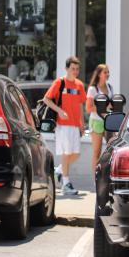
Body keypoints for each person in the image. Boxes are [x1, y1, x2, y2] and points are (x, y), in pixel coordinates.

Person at [43, 56, 87, 196]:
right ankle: (66, 184)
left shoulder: (79, 85)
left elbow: (81, 105)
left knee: (76, 154)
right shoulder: (59, 82)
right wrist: (60, 111)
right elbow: (46, 99)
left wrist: (82, 123)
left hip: (75, 125)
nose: (75, 71)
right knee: (67, 153)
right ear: (67, 68)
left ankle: (59, 170)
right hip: (63, 125)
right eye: (72, 68)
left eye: (77, 69)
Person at [85, 64, 114, 173]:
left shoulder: (110, 87)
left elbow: (113, 105)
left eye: (108, 72)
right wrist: (103, 107)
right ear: (99, 74)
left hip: (109, 122)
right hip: (96, 122)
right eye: (105, 72)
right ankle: (95, 179)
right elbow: (88, 108)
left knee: (110, 150)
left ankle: (107, 176)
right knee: (97, 152)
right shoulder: (93, 89)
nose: (107, 74)